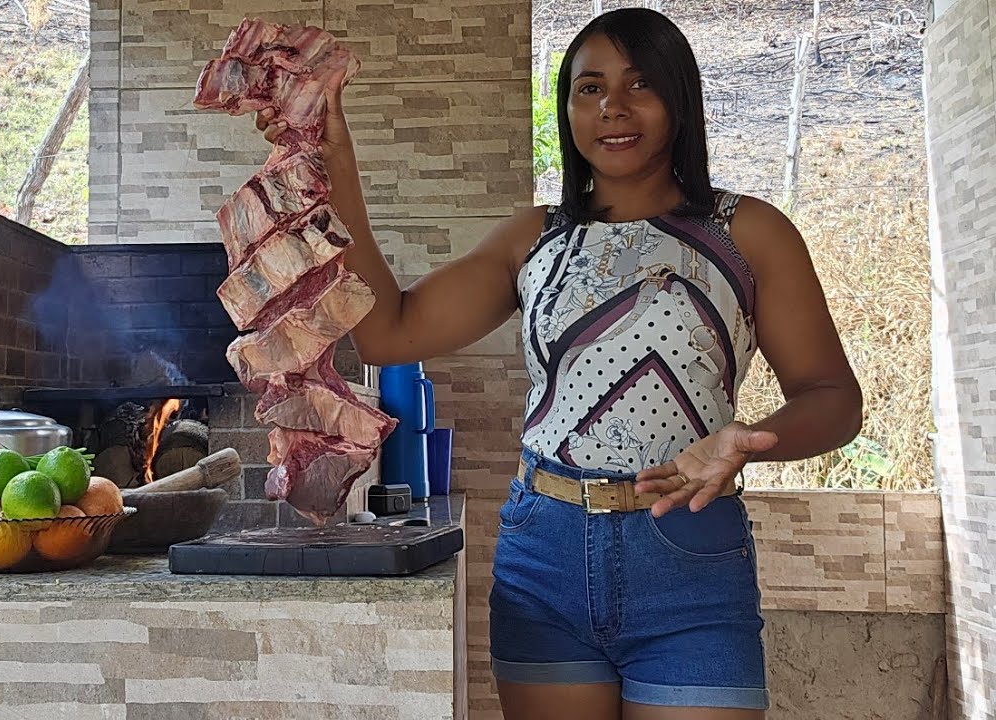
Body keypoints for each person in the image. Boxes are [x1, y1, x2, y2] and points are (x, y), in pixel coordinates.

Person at [256, 7, 862, 719]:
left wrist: (747, 440)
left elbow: (833, 397)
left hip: (688, 553)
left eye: (640, 83)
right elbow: (388, 334)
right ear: (568, 108)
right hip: (546, 554)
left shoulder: (746, 231)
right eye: (589, 88)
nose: (613, 107)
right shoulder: (534, 237)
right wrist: (337, 163)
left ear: (680, 98)